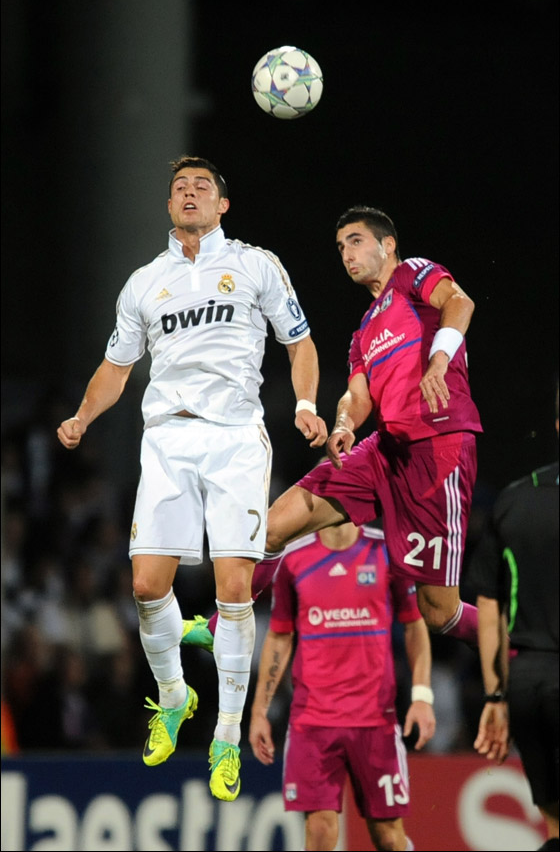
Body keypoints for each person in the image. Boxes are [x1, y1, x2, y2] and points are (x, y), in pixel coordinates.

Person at [56, 155, 327, 801]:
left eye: (202, 186)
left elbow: (300, 342)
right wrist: (83, 415)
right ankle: (175, 696)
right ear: (169, 204)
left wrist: (306, 403)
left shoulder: (256, 265)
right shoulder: (145, 283)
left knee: (234, 590)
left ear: (222, 205)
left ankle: (226, 737)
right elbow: (117, 366)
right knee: (147, 584)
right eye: (180, 186)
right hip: (168, 439)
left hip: (235, 438)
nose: (189, 192)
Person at [264, 205, 483, 646]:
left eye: (356, 241)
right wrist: (344, 425)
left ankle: (525, 647)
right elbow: (357, 395)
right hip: (385, 451)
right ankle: (220, 627)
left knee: (438, 611)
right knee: (271, 527)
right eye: (340, 247)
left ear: (388, 245)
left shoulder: (412, 274)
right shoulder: (364, 329)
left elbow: (460, 302)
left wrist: (439, 359)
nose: (347, 253)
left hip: (436, 446)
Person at [248, 520, 436, 852]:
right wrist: (259, 711)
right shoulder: (293, 558)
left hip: (375, 720)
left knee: (388, 837)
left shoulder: (387, 551)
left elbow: (414, 625)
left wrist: (421, 696)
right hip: (312, 721)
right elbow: (279, 636)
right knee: (319, 830)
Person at [471, 389, 558, 851]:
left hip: (527, 686)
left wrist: (495, 695)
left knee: (554, 823)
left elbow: (489, 608)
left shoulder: (513, 501)